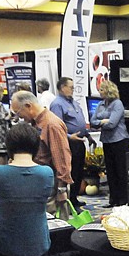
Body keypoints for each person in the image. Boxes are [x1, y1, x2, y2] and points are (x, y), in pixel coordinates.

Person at [0, 123, 54, 256]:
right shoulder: (46, 173)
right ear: (36, 146)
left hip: (6, 245)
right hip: (38, 243)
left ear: (9, 146)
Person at [10, 90, 72, 217]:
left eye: (18, 112)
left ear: (28, 106)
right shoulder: (36, 123)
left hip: (52, 183)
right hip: (41, 180)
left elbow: (62, 158)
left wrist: (62, 189)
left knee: (53, 222)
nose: (19, 117)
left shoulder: (51, 124)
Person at [50, 76, 95, 210]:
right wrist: (69, 137)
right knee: (71, 173)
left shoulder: (73, 102)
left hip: (80, 141)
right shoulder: (57, 104)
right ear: (62, 88)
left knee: (79, 172)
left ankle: (74, 199)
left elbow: (79, 121)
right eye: (71, 87)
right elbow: (56, 127)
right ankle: (68, 202)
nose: (73, 89)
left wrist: (87, 135)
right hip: (69, 143)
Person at [90, 80, 129, 208]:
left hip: (119, 141)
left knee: (120, 171)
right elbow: (92, 121)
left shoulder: (118, 104)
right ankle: (113, 200)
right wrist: (103, 121)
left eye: (101, 89)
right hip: (107, 141)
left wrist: (100, 122)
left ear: (108, 90)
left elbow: (112, 124)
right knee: (110, 172)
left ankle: (122, 200)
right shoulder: (101, 104)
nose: (99, 91)